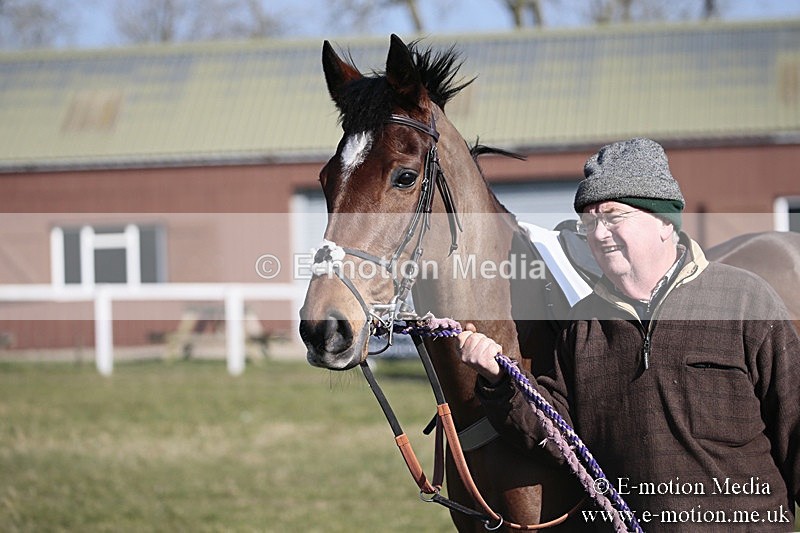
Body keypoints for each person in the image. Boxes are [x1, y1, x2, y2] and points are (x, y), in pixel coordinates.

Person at [459, 138, 800, 530]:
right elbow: (558, 438)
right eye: (589, 221)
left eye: (613, 216)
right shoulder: (583, 325)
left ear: (663, 221)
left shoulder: (744, 301)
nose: (599, 233)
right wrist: (499, 379)